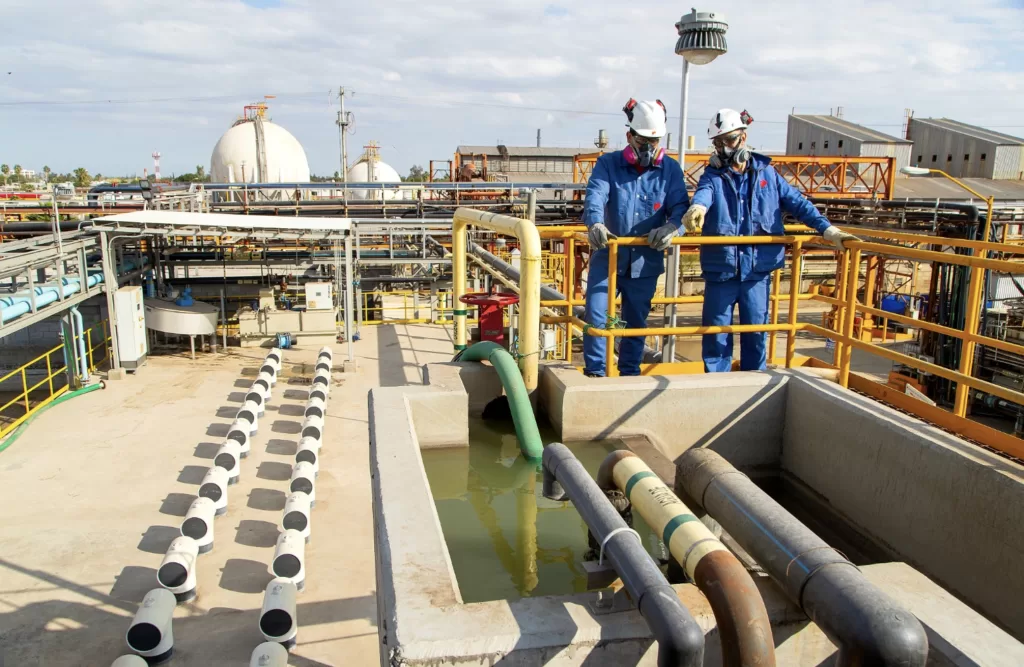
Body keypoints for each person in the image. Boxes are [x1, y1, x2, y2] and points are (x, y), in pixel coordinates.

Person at [682, 108, 859, 373]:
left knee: (756, 334)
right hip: (722, 271)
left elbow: (799, 204)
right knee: (716, 336)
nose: (724, 148)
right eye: (718, 143)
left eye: (729, 140)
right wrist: (698, 207)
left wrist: (828, 230)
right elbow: (704, 194)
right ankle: (716, 385)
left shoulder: (768, 175)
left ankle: (753, 381)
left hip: (756, 273)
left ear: (743, 137)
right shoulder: (713, 176)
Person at [583, 99, 688, 377]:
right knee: (596, 315)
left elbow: (681, 208)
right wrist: (595, 222)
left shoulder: (670, 170)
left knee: (635, 322)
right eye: (643, 141)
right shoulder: (608, 164)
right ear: (629, 136)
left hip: (645, 261)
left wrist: (673, 228)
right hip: (608, 256)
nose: (648, 148)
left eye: (654, 142)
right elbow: (595, 195)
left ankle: (629, 373)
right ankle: (596, 373)